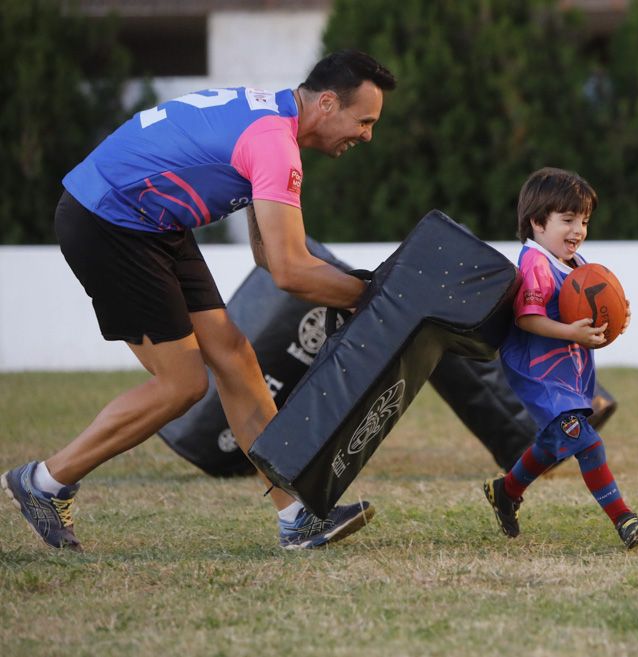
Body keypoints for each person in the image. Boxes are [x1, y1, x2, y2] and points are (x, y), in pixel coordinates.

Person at [2, 50, 397, 551]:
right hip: (109, 221)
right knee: (182, 384)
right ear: (325, 104)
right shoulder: (274, 143)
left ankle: (297, 517)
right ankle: (44, 482)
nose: (367, 135)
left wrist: (358, 293)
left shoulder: (273, 116)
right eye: (364, 121)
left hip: (154, 222)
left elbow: (265, 256)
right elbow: (290, 271)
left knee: (236, 357)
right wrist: (372, 297)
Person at [483, 167, 638, 550]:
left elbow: (589, 301)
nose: (578, 230)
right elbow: (527, 318)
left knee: (551, 443)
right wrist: (572, 333)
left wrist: (613, 318)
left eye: (584, 221)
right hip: (540, 373)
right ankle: (624, 518)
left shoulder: (572, 259)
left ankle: (506, 491)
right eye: (568, 220)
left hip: (568, 368)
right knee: (587, 443)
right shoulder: (536, 263)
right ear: (538, 222)